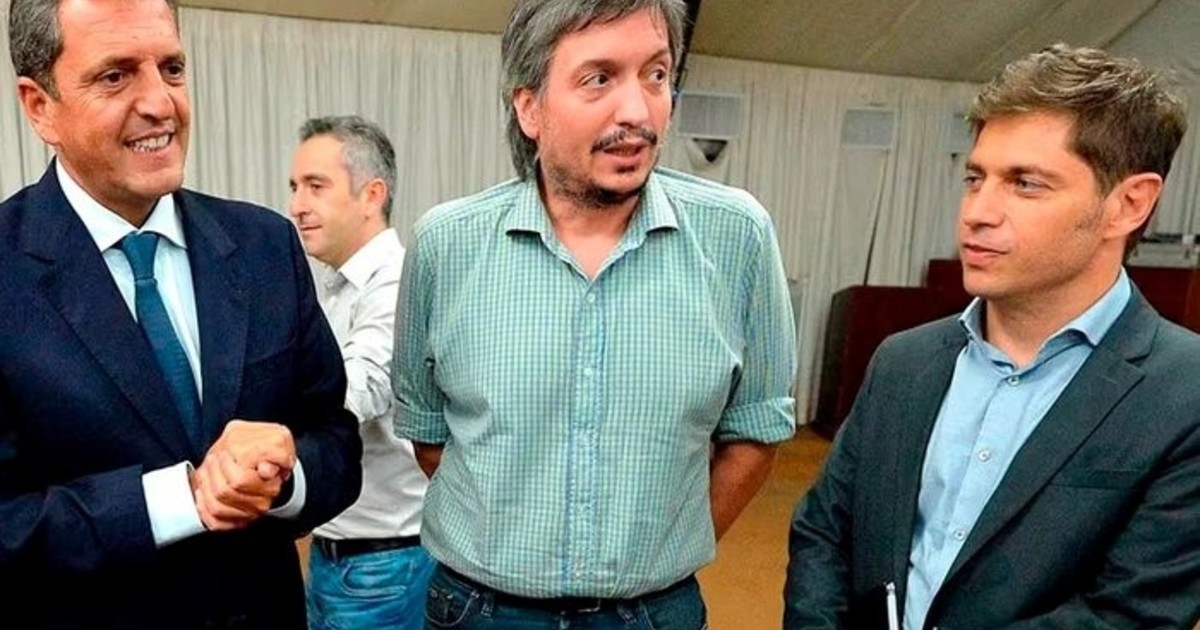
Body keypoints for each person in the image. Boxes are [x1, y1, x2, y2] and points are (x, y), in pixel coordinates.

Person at [390, 0, 797, 628]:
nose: (637, 111)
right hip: (480, 611)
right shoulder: (446, 245)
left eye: (656, 75)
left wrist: (651, 555)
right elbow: (430, 436)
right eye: (599, 78)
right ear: (530, 108)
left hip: (654, 614)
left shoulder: (737, 236)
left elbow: (755, 432)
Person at [785, 43, 1199, 629]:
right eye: (975, 178)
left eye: (1025, 184)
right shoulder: (904, 361)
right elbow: (825, 533)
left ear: (1129, 204)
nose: (977, 211)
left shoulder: (1185, 395)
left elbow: (1126, 615)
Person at [0, 1, 362, 628]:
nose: (161, 103)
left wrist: (283, 476)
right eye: (116, 76)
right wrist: (178, 500)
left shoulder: (264, 245)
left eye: (171, 68)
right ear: (39, 106)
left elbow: (336, 440)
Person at [288, 115, 434, 630]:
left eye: (315, 186)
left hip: (384, 564)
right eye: (294, 186)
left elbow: (357, 388)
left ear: (372, 196)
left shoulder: (396, 284)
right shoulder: (336, 286)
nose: (297, 205)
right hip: (340, 555)